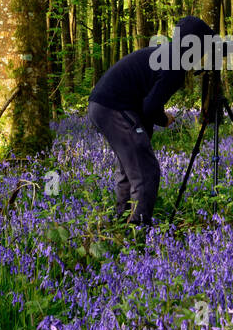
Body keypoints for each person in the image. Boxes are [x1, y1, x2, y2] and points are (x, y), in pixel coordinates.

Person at [88, 16, 215, 226]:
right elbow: (150, 108)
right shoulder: (174, 66)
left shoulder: (166, 55)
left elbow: (146, 99)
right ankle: (138, 231)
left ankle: (121, 222)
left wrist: (151, 123)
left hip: (103, 106)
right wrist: (162, 119)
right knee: (146, 171)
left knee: (131, 169)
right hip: (114, 108)